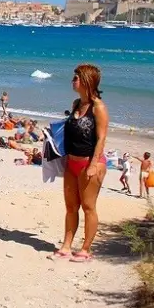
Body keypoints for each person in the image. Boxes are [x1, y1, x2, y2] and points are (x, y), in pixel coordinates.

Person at [51, 64, 108, 263]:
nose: (72, 81)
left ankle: (85, 249)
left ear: (86, 81)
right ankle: (66, 246)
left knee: (88, 206)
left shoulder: (98, 107)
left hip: (90, 163)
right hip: (71, 162)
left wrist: (93, 164)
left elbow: (101, 138)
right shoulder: (76, 103)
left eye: (75, 78)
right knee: (70, 206)